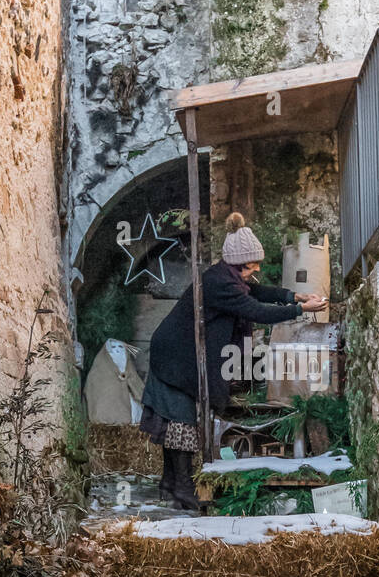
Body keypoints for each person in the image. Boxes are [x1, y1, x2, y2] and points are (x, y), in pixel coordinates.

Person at [139, 212, 327, 509]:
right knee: (181, 423)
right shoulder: (221, 284)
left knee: (176, 421)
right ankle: (183, 491)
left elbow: (257, 291)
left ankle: (169, 485)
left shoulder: (226, 276)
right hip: (176, 358)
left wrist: (294, 297)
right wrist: (300, 311)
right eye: (254, 265)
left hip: (177, 353)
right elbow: (257, 311)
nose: (258, 269)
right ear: (240, 265)